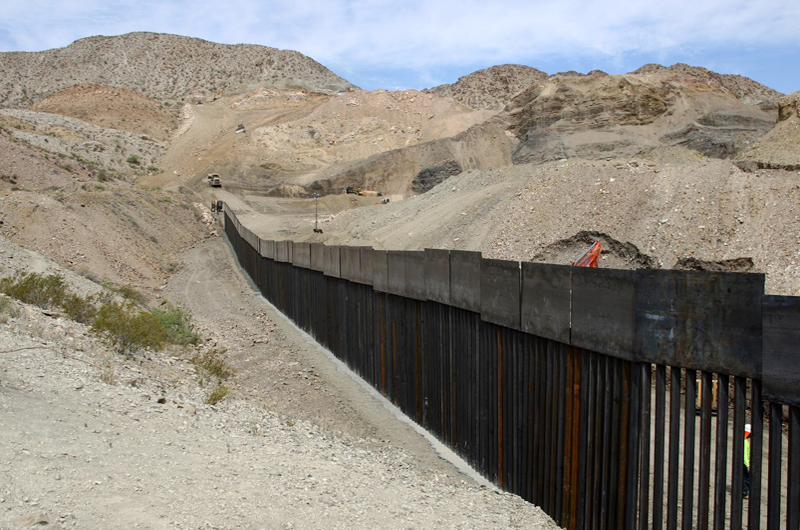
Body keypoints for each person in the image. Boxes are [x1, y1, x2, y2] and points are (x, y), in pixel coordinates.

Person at [744, 423, 751, 498]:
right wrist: (747, 465)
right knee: (746, 478)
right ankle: (745, 491)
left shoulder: (745, 440)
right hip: (745, 463)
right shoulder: (744, 441)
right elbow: (744, 455)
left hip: (745, 462)